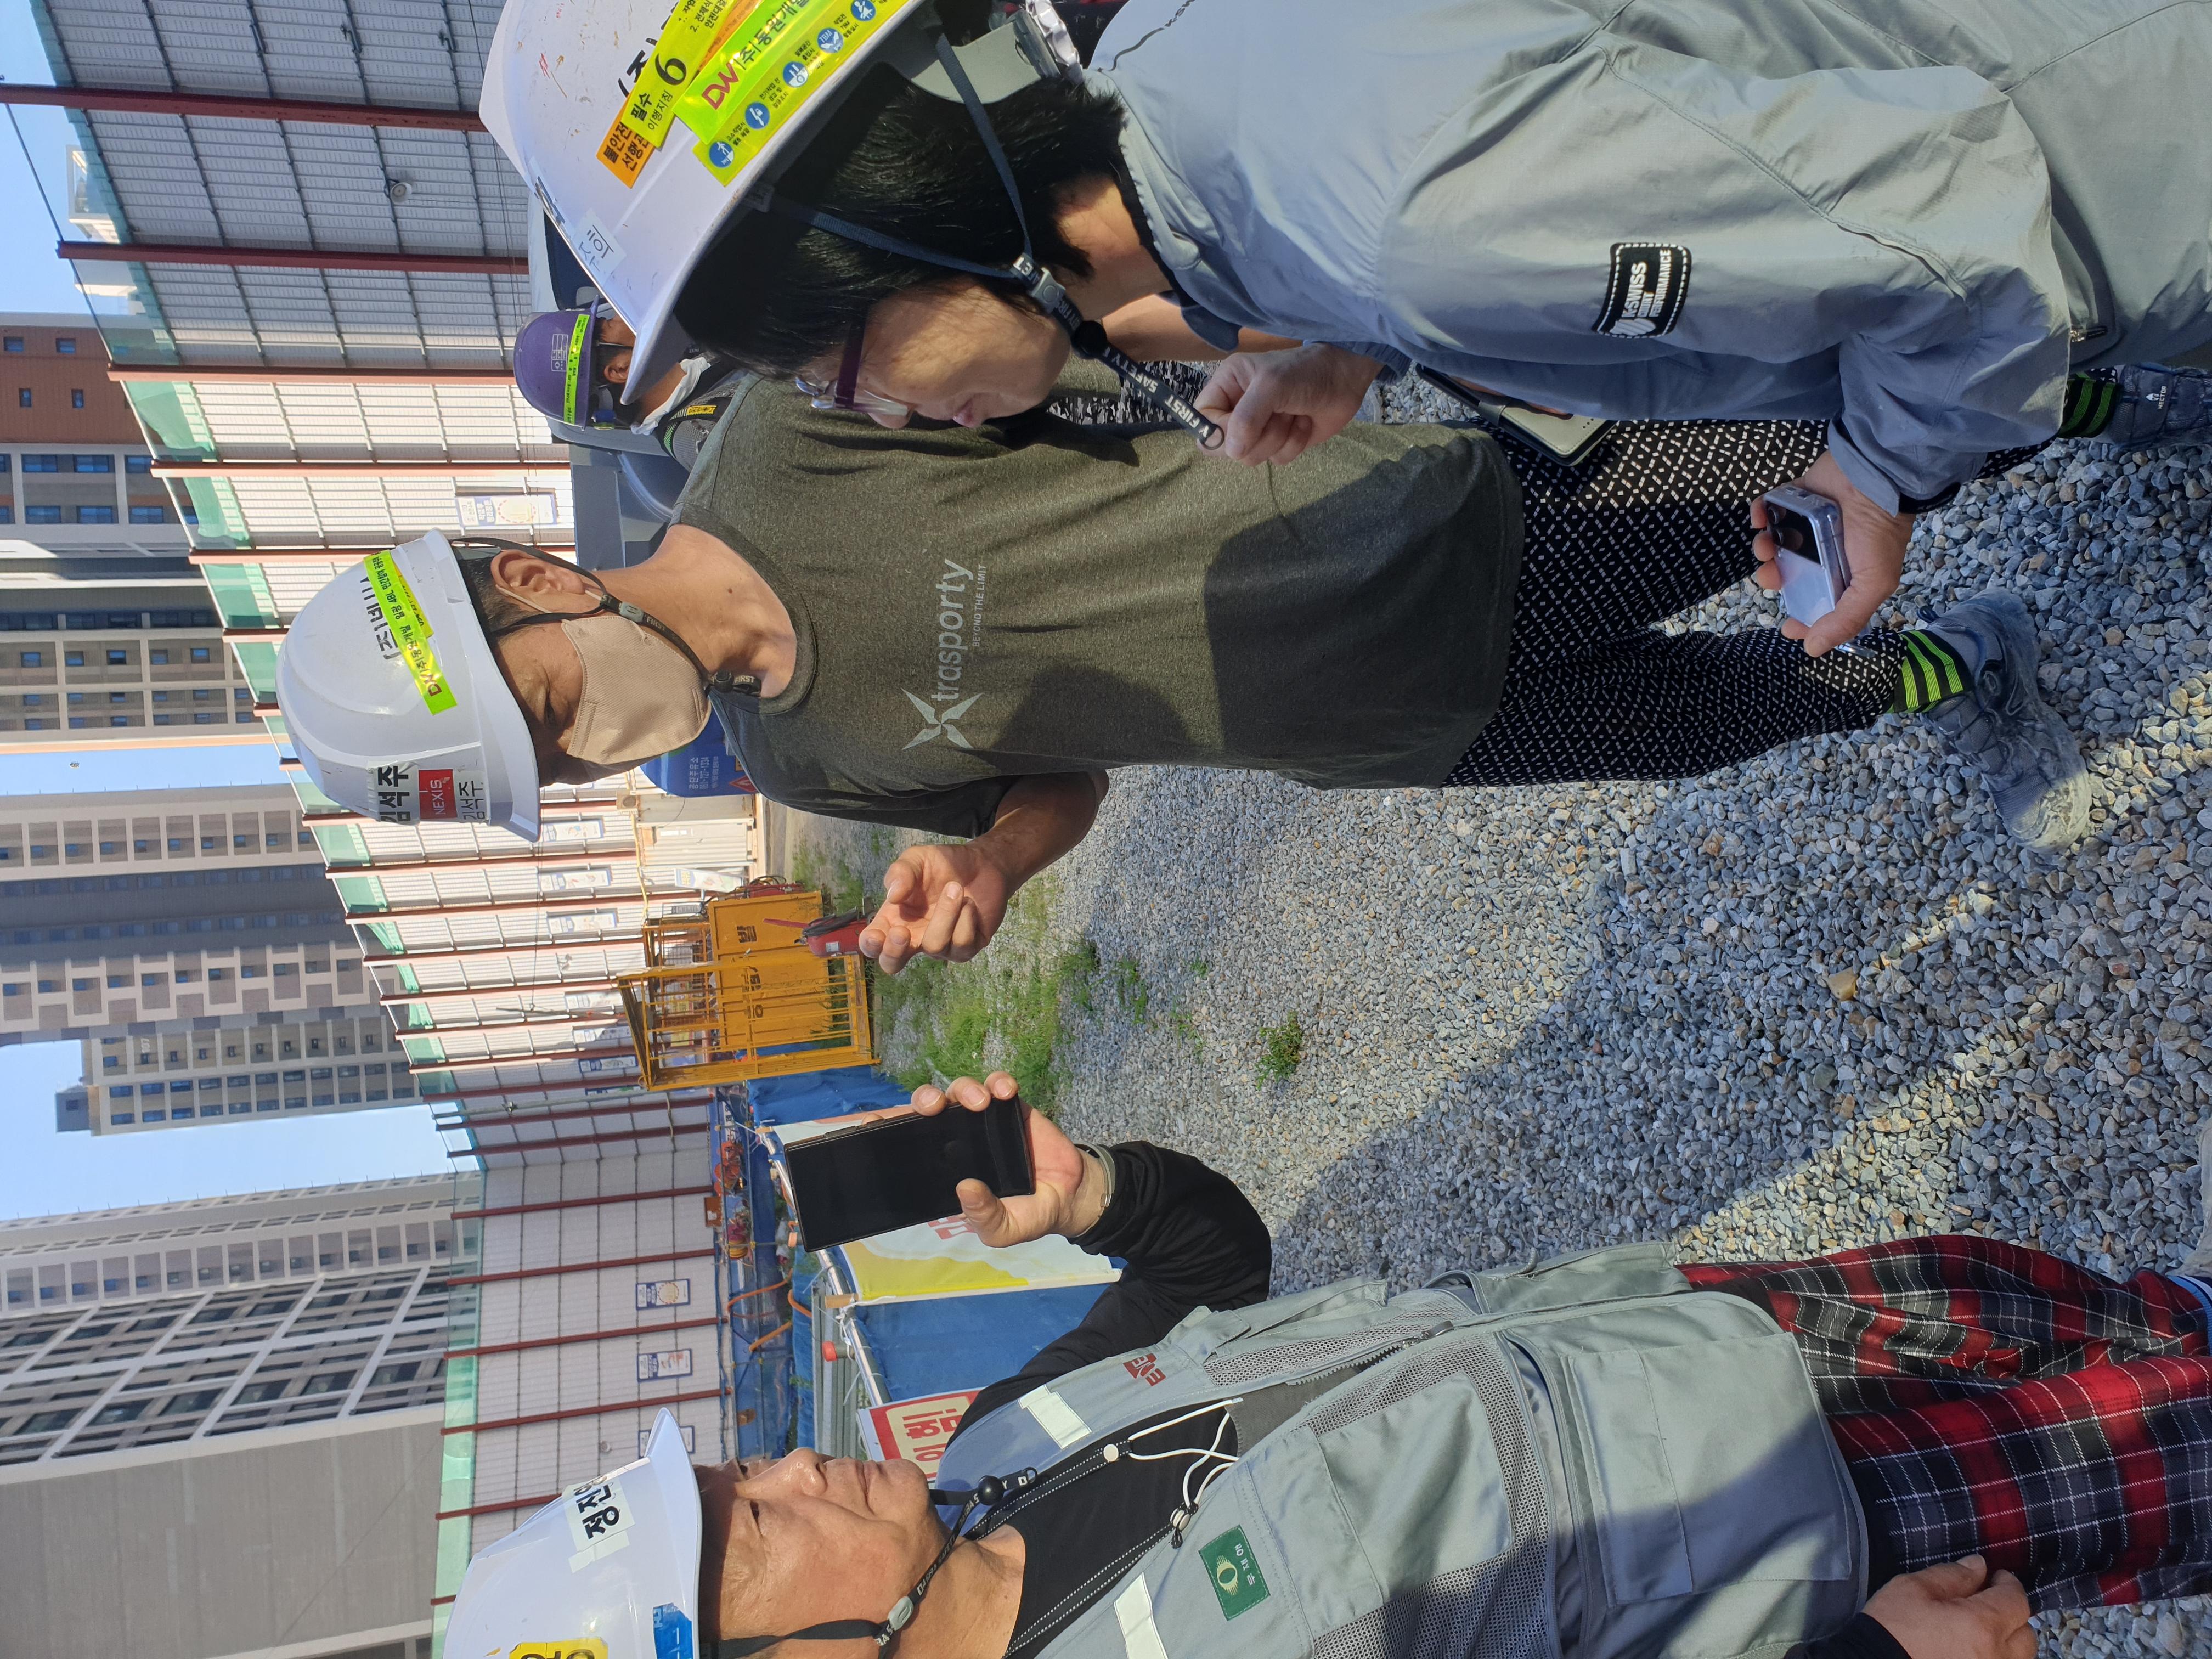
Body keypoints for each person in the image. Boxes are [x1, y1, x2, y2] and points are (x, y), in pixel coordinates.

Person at [479, 0, 2212, 661]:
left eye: (823, 366)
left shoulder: (1409, 226)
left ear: (892, 218)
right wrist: (1347, 345)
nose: (865, 415)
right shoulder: (1183, 66)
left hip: (2150, 175)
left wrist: (1880, 475)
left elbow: (1966, 238)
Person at [275, 374, 2089, 968]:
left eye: (550, 714)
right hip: (1395, 730)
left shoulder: (791, 437)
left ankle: (2088, 379)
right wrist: (997, 860)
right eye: (562, 774)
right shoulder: (798, 763)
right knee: (1723, 716)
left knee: (1816, 472)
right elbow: (1060, 776)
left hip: (1441, 527)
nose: (599, 748)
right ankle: (1938, 668)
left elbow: (1088, 358)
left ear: (536, 582)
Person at [441, 1071, 2212, 1659]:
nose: (786, 1466)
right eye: (746, 1526)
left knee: (2113, 1317)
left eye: (735, 1469)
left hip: (1683, 1320)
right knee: (2179, 1452)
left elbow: (1215, 1271)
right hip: (1797, 1530)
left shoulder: (992, 1447)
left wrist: (1088, 1193)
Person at [512, 305, 744, 469]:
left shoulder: (695, 351)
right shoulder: (703, 440)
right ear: (620, 370)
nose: (620, 317)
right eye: (610, 324)